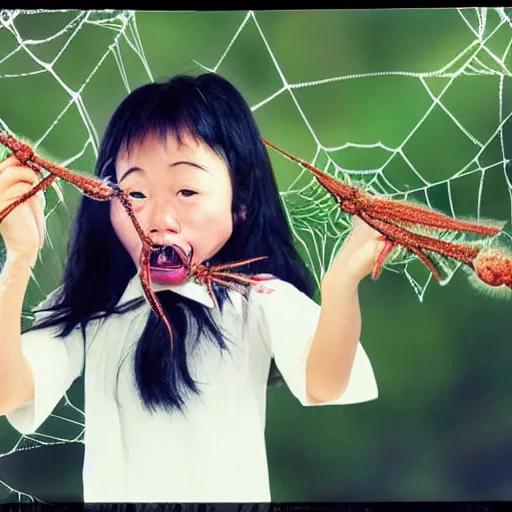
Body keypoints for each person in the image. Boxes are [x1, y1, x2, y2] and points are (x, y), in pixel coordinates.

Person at [0, 73, 382, 503]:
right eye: (136, 194)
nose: (159, 217)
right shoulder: (93, 308)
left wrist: (341, 284)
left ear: (240, 204)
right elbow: (7, 391)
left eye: (186, 190)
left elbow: (325, 383)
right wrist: (19, 259)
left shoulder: (256, 298)